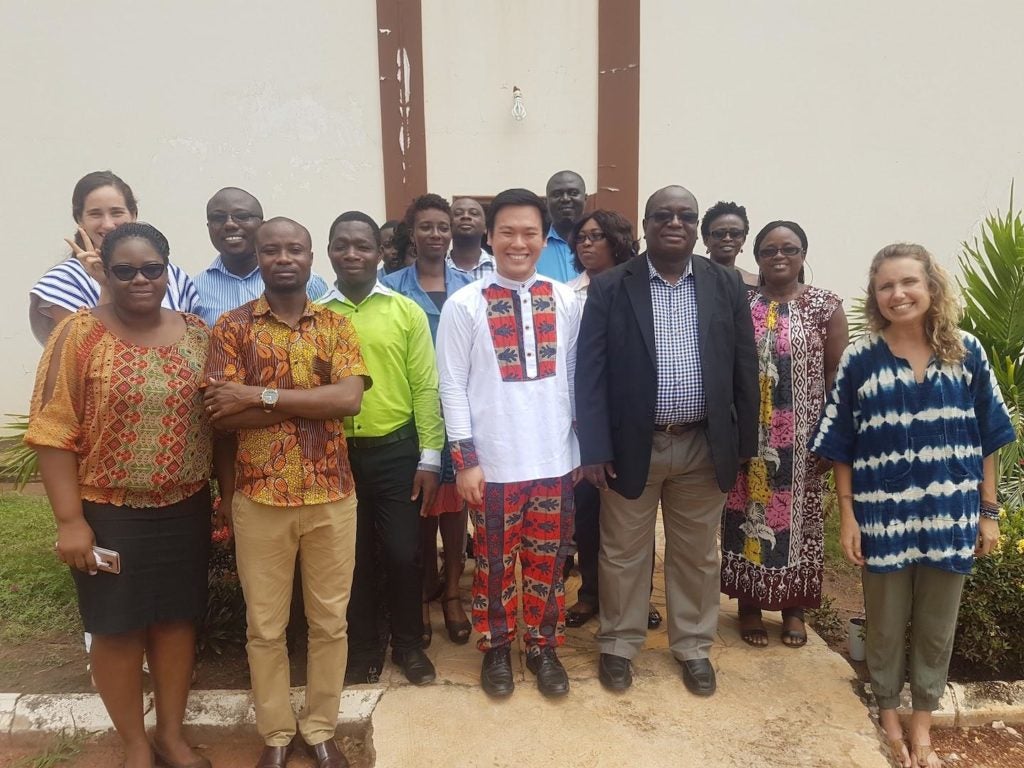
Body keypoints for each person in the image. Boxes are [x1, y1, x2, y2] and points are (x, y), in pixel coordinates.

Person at [810, 243, 1014, 768]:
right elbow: (843, 444)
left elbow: (989, 437)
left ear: (931, 288)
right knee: (884, 622)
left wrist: (987, 512)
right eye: (886, 286)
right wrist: (849, 516)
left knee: (936, 625)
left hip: (951, 519)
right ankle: (889, 715)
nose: (898, 294)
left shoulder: (966, 353)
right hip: (882, 518)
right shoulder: (861, 357)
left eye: (908, 283)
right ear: (875, 297)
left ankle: (922, 723)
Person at [26, 223, 218, 768]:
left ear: (167, 270)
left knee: (176, 621)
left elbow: (220, 419)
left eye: (152, 269)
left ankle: (172, 736)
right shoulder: (78, 335)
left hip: (184, 505)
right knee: (115, 628)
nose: (140, 279)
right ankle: (135, 744)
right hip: (107, 510)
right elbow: (53, 429)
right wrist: (70, 521)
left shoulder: (198, 334)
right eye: (125, 270)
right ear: (105, 275)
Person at [575, 185, 758, 696]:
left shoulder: (725, 284)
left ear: (696, 226)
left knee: (698, 554)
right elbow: (589, 373)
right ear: (646, 225)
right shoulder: (612, 286)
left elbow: (745, 366)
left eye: (685, 215)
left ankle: (694, 647)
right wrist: (593, 450)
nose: (674, 222)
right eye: (663, 215)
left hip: (704, 445)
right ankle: (618, 644)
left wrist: (744, 442)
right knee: (623, 552)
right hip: (632, 445)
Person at [204, 217, 369, 768]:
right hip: (259, 496)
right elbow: (223, 414)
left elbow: (348, 401)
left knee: (329, 622)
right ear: (257, 255)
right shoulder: (230, 328)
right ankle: (276, 735)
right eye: (271, 249)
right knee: (265, 626)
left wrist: (262, 396)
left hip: (331, 496)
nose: (283, 258)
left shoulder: (335, 326)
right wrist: (303, 398)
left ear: (310, 256)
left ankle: (321, 727)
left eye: (294, 249)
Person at [437, 187, 581, 698]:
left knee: (549, 560)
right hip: (493, 465)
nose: (518, 243)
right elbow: (451, 384)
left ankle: (542, 646)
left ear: (544, 239)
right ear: (489, 236)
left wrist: (577, 453)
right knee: (495, 563)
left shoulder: (566, 300)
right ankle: (496, 646)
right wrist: (466, 461)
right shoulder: (464, 304)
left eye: (529, 233)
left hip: (553, 461)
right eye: (507, 233)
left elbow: (575, 378)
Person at [317, 211, 442, 686]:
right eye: (342, 244)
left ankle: (409, 645)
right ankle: (365, 646)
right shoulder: (316, 314)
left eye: (362, 245)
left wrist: (430, 456)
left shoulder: (404, 311)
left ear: (380, 252)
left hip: (397, 452)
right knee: (352, 556)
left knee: (403, 552)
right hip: (334, 455)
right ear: (329, 252)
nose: (352, 254)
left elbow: (425, 387)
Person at [720, 220, 848, 648]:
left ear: (803, 255)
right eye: (769, 250)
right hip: (748, 439)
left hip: (803, 439)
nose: (779, 257)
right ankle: (749, 607)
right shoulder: (741, 301)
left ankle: (794, 610)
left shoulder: (824, 306)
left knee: (801, 523)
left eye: (789, 249)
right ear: (756, 257)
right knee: (744, 516)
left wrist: (832, 434)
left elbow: (835, 376)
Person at [563, 210, 660, 631]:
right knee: (587, 513)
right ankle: (590, 593)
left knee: (635, 516)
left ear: (617, 241)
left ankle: (639, 598)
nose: (587, 244)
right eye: (580, 239)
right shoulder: (567, 295)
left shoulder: (641, 289)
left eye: (596, 236)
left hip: (630, 422)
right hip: (581, 423)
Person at [382, 194, 473, 647]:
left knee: (455, 509)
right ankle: (422, 588)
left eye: (443, 226)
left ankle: (453, 593)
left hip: (459, 411)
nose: (436, 234)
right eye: (426, 227)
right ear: (412, 234)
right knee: (418, 505)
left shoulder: (472, 285)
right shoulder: (390, 287)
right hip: (409, 413)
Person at [29, 171, 200, 345]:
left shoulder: (173, 274)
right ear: (80, 220)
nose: (108, 224)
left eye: (116, 213)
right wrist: (105, 285)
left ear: (133, 215)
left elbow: (193, 341)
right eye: (95, 214)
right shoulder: (63, 281)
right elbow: (78, 352)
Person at [192, 187, 329, 327]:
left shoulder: (309, 282)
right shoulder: (193, 289)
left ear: (263, 226)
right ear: (208, 226)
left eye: (242, 216)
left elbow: (328, 331)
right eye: (218, 218)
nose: (229, 224)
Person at [535, 170, 586, 283]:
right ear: (546, 202)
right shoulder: (532, 247)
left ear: (585, 199)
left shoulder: (600, 245)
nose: (565, 199)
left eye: (573, 193)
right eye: (557, 194)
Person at [700, 201, 758, 287]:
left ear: (743, 239)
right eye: (719, 233)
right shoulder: (695, 280)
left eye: (735, 233)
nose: (727, 238)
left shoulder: (756, 283)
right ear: (706, 240)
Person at [446, 196, 495, 279]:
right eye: (458, 213)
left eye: (474, 213)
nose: (466, 216)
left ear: (485, 227)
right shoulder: (437, 270)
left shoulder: (501, 269)